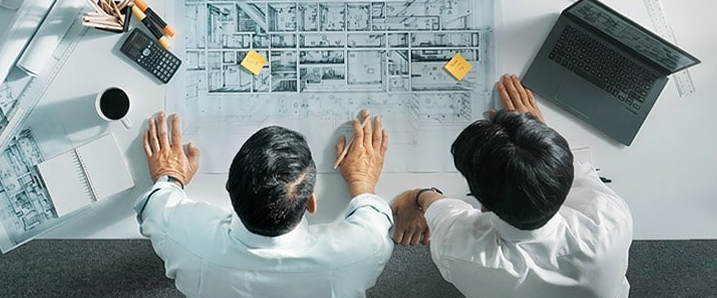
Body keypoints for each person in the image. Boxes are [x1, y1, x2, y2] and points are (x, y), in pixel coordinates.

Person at [391, 74, 634, 298]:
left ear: (482, 202)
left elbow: (443, 210)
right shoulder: (611, 219)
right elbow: (572, 172)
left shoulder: (464, 254)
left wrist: (418, 196)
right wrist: (538, 139)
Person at [134, 109, 392, 298]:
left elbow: (156, 205)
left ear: (229, 188)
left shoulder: (186, 238)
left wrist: (172, 176)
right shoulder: (360, 252)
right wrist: (361, 180)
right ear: (311, 203)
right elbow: (375, 221)